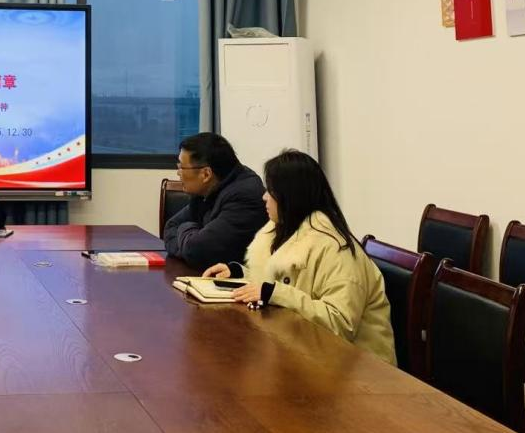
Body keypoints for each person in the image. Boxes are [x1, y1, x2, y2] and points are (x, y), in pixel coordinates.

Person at [203, 149, 396, 365]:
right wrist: (240, 273)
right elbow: (280, 280)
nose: (264, 197)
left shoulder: (335, 247)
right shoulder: (285, 232)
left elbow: (340, 324)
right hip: (307, 356)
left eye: (271, 191)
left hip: (359, 370)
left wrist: (275, 293)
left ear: (291, 197)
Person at [162, 133, 268, 271]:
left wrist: (185, 228)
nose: (178, 173)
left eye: (182, 167)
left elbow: (198, 251)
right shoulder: (208, 188)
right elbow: (171, 227)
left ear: (206, 174)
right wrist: (191, 239)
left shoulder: (244, 196)